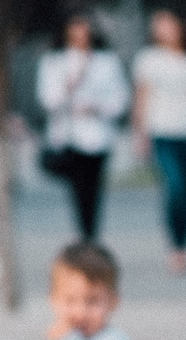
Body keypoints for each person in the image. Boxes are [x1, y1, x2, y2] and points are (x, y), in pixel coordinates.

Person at [132, 10, 186, 276]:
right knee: (174, 186)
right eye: (158, 26)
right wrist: (140, 134)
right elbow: (142, 97)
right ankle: (176, 246)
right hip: (162, 131)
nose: (164, 30)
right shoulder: (149, 60)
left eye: (168, 24)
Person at [37, 14, 128, 241]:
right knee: (78, 188)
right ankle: (84, 234)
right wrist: (72, 83)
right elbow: (48, 100)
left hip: (98, 135)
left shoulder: (107, 61)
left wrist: (97, 108)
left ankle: (90, 235)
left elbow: (120, 98)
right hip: (69, 135)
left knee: (94, 188)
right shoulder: (55, 61)